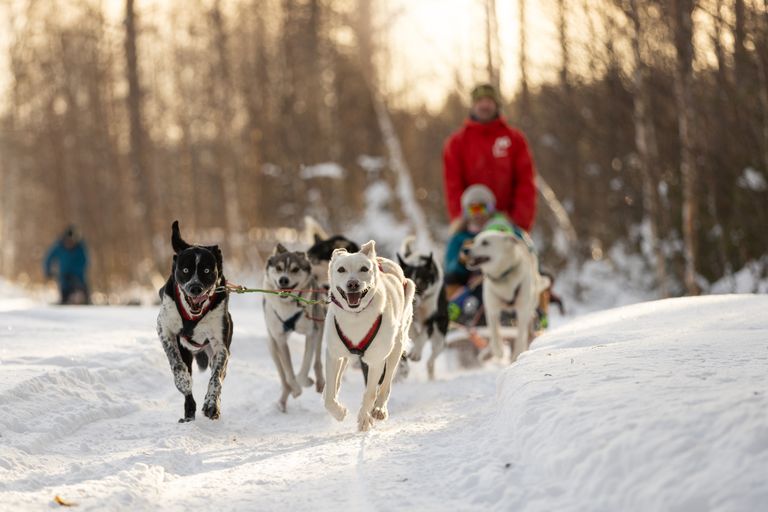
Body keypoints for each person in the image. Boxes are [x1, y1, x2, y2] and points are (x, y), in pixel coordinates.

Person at [443, 83, 538, 286]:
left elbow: (525, 184)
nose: (484, 105)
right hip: (472, 219)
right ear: (473, 105)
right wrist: (462, 219)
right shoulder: (457, 143)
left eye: (489, 101)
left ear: (496, 104)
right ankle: (453, 298)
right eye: (479, 101)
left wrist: (518, 221)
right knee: (457, 253)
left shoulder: (514, 139)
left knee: (524, 254)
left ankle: (535, 292)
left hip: (504, 222)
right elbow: (452, 186)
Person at [44, 225, 90, 304]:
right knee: (65, 296)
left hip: (78, 278)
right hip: (64, 278)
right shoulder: (59, 247)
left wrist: (75, 273)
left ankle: (83, 300)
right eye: (68, 240)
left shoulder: (80, 248)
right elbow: (48, 258)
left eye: (72, 240)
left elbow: (85, 261)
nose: (70, 243)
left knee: (81, 294)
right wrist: (48, 271)